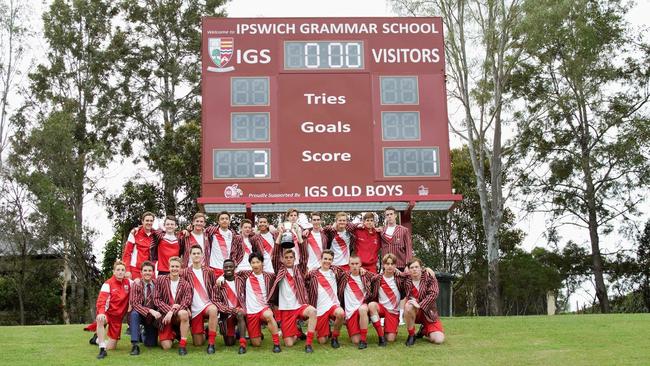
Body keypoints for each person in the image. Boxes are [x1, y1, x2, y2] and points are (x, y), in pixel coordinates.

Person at [268, 248, 318, 352]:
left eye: (291, 257)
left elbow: (304, 256)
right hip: (286, 309)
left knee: (313, 311)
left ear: (295, 259)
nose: (288, 259)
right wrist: (280, 234)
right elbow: (275, 256)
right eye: (286, 257)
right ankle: (298, 333)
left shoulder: (299, 269)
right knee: (289, 343)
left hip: (300, 305)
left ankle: (308, 344)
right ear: (282, 259)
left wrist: (299, 236)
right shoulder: (280, 270)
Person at [234, 252, 282, 353]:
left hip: (264, 308)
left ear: (262, 263)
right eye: (253, 262)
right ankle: (257, 334)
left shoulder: (269, 276)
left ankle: (276, 344)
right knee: (256, 344)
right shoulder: (245, 275)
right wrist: (221, 277)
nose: (255, 265)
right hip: (251, 312)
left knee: (269, 315)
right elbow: (230, 272)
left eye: (257, 262)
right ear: (250, 264)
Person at [179, 245, 219, 353]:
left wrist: (215, 303)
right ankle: (206, 330)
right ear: (190, 255)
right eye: (194, 253)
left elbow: (214, 288)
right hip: (194, 308)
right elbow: (182, 292)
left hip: (207, 305)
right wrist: (186, 307)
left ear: (202, 255)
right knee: (198, 343)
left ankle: (211, 343)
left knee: (213, 310)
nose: (196, 255)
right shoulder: (184, 272)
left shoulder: (209, 271)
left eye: (198, 253)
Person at [305, 249, 346, 348]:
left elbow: (349, 274)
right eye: (325, 259)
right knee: (322, 341)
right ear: (321, 259)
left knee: (340, 313)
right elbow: (304, 283)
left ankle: (335, 337)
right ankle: (326, 330)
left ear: (332, 261)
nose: (327, 261)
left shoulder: (336, 271)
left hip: (333, 305)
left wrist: (362, 270)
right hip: (320, 309)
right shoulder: (313, 273)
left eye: (330, 259)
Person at [367, 253, 410, 346]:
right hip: (381, 308)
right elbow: (365, 275)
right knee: (371, 305)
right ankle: (380, 337)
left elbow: (413, 273)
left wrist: (426, 269)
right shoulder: (377, 278)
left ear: (395, 265)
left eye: (392, 264)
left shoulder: (400, 278)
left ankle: (389, 327)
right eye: (387, 264)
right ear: (383, 265)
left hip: (393, 312)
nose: (390, 266)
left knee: (390, 339)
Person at [154, 256, 192, 355]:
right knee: (166, 347)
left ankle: (182, 345)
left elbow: (186, 302)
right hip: (164, 317)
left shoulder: (186, 284)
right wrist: (170, 309)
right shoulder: (160, 280)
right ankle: (175, 333)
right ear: (168, 267)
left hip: (177, 315)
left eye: (177, 266)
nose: (174, 268)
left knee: (184, 313)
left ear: (180, 268)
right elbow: (156, 300)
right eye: (172, 266)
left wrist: (172, 311)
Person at [403, 258, 445, 346]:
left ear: (421, 268)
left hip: (428, 313)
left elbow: (434, 294)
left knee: (439, 340)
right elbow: (392, 275)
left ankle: (424, 329)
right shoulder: (406, 279)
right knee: (408, 306)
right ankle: (411, 335)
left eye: (416, 267)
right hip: (414, 311)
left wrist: (419, 305)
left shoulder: (430, 277)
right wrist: (394, 269)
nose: (414, 269)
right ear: (408, 270)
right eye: (411, 267)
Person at [94, 260, 131, 359]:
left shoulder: (128, 283)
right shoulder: (108, 284)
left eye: (122, 270)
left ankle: (97, 339)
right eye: (118, 270)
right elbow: (101, 301)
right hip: (107, 313)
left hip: (117, 318)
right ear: (114, 272)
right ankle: (102, 348)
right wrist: (101, 313)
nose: (120, 272)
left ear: (125, 272)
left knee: (112, 347)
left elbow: (138, 283)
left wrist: (136, 280)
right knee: (100, 319)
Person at [339, 255, 375, 349]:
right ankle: (358, 334)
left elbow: (379, 277)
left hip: (362, 308)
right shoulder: (344, 276)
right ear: (349, 265)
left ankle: (363, 341)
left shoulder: (365, 275)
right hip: (350, 312)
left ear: (360, 264)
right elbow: (331, 268)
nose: (355, 266)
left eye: (357, 264)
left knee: (363, 309)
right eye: (352, 264)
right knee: (355, 341)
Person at [213, 259, 248, 354]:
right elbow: (216, 301)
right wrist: (231, 310)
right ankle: (238, 332)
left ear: (234, 268)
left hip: (240, 312)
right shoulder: (218, 284)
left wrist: (240, 309)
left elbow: (252, 270)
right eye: (226, 267)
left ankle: (242, 344)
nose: (228, 269)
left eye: (231, 267)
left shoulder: (241, 280)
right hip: (227, 314)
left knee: (240, 314)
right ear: (223, 269)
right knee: (229, 343)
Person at [128, 261, 160, 356]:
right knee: (134, 314)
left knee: (151, 344)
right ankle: (135, 345)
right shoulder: (136, 284)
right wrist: (150, 310)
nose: (147, 273)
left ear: (153, 272)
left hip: (152, 318)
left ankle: (142, 334)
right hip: (140, 315)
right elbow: (134, 304)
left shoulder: (157, 284)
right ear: (141, 272)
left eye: (150, 270)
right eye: (145, 270)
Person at [204, 211, 244, 277]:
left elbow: (241, 253)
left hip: (228, 268)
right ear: (218, 222)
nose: (224, 220)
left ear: (229, 221)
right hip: (214, 267)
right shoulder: (212, 231)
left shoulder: (235, 236)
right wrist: (188, 229)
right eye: (222, 219)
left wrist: (235, 263)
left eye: (226, 219)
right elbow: (200, 230)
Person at [122, 212, 156, 279]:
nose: (149, 223)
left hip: (149, 271)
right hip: (135, 270)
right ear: (142, 221)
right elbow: (127, 253)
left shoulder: (156, 235)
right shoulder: (134, 233)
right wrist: (127, 270)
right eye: (147, 220)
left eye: (151, 221)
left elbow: (168, 231)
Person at [379, 206, 413, 271]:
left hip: (400, 265)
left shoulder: (403, 230)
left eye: (391, 214)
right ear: (385, 217)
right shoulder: (381, 230)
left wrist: (408, 265)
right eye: (387, 215)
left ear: (395, 215)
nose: (389, 216)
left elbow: (408, 248)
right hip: (386, 266)